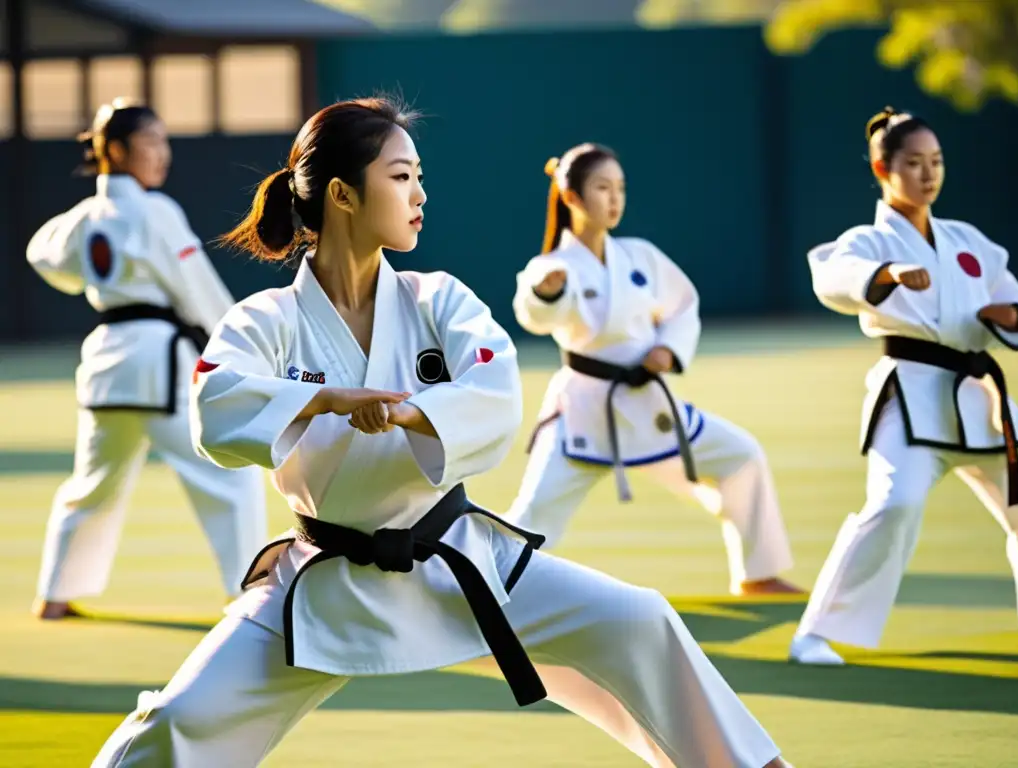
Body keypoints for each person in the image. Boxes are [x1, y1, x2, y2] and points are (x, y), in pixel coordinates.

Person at [92, 97, 793, 768]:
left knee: (638, 620)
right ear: (341, 195)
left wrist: (411, 412)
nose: (420, 194)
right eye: (401, 178)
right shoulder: (267, 320)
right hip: (325, 578)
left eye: (420, 178)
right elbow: (216, 399)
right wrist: (324, 399)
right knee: (180, 721)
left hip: (460, 561)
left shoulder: (439, 298)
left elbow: (494, 391)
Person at [505, 143, 800, 597]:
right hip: (584, 412)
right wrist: (545, 293)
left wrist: (667, 348)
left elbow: (683, 306)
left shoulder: (639, 256)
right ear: (573, 198)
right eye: (602, 188)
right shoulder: (553, 267)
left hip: (647, 404)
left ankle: (757, 573)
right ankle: (488, 593)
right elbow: (532, 311)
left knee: (741, 455)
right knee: (532, 515)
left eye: (620, 188)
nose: (614, 198)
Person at [790, 107, 1018, 665]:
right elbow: (833, 275)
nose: (928, 174)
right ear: (882, 167)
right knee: (895, 504)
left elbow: (1012, 293)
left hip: (979, 397)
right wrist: (887, 274)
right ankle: (815, 635)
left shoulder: (967, 240)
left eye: (936, 162)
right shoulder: (868, 241)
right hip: (911, 394)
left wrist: (1010, 314)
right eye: (914, 163)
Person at [25, 98, 267, 620]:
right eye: (151, 141)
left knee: (92, 485)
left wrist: (87, 279)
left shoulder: (82, 219)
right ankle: (250, 591)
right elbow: (196, 289)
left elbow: (41, 253)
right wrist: (240, 345)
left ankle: (54, 595)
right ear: (115, 149)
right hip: (159, 366)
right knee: (228, 474)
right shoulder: (155, 211)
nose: (163, 153)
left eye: (164, 140)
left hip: (108, 367)